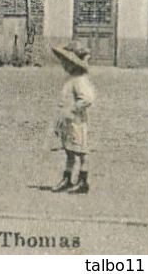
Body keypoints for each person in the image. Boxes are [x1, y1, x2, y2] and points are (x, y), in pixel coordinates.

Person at [50, 41, 96, 194]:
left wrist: (74, 107)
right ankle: (67, 178)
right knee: (69, 150)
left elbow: (88, 98)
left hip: (77, 121)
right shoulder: (71, 80)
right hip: (68, 121)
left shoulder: (80, 80)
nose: (64, 66)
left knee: (81, 151)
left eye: (67, 63)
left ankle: (83, 180)